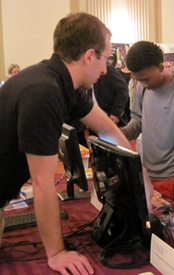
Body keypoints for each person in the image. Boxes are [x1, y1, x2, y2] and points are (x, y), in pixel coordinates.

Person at [0, 12, 133, 275]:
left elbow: (105, 126)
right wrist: (57, 252)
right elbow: (42, 182)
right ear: (89, 56)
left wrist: (139, 172)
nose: (106, 69)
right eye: (106, 58)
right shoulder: (44, 92)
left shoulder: (62, 83)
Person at [121, 41, 174, 208]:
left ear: (162, 68)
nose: (144, 84)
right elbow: (138, 120)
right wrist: (123, 132)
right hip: (147, 173)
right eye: (139, 80)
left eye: (146, 79)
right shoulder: (141, 89)